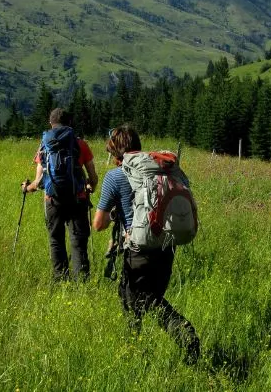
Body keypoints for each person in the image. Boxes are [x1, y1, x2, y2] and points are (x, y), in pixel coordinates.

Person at [93, 124, 200, 364]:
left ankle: (179, 337)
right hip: (166, 246)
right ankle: (143, 352)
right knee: (151, 298)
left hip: (138, 251)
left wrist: (113, 215)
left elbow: (98, 224)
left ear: (115, 152)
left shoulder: (115, 176)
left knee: (137, 302)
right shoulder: (157, 172)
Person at [22, 108, 98, 282]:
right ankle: (82, 283)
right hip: (78, 199)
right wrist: (90, 187)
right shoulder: (80, 144)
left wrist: (26, 188)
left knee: (56, 240)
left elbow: (38, 182)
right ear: (70, 123)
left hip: (52, 200)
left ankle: (60, 280)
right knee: (78, 242)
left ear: (50, 123)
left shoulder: (44, 147)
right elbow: (93, 176)